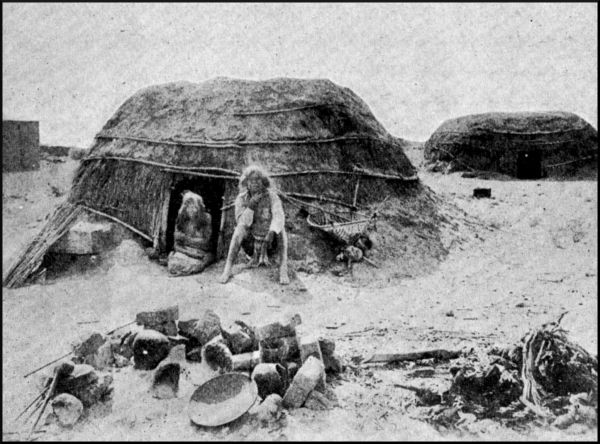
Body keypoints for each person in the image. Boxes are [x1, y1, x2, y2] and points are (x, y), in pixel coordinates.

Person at [219, 165, 290, 285]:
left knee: (281, 229)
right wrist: (251, 206)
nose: (255, 183)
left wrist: (272, 231)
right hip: (251, 245)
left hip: (269, 243)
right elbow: (241, 222)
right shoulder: (242, 199)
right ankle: (228, 269)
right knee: (239, 229)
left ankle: (283, 269)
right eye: (251, 180)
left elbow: (279, 216)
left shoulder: (272, 197)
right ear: (246, 182)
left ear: (263, 181)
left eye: (258, 179)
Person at [167, 191, 214, 276]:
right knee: (173, 265)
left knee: (198, 263)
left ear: (200, 207)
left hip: (200, 252)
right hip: (185, 251)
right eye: (189, 207)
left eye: (195, 207)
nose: (193, 210)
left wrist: (186, 239)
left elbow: (206, 243)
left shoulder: (206, 218)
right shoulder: (181, 218)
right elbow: (176, 244)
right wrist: (189, 251)